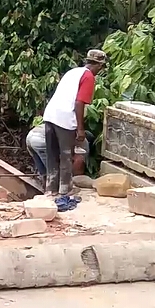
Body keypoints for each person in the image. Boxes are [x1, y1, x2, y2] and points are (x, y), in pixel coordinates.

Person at [42, 49, 107, 209]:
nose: (101, 70)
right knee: (66, 155)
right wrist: (80, 128)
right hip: (65, 118)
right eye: (102, 67)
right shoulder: (88, 77)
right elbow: (79, 103)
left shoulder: (73, 72)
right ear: (98, 65)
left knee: (52, 154)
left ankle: (50, 189)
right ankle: (65, 190)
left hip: (50, 114)